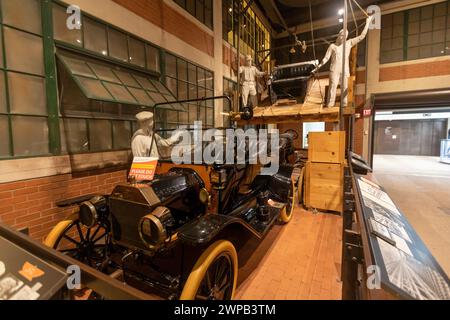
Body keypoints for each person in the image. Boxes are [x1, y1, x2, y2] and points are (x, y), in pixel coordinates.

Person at [313, 15, 374, 108]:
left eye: (345, 36)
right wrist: (318, 67)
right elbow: (326, 58)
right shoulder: (332, 46)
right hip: (334, 68)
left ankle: (344, 104)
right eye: (342, 35)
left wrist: (368, 23)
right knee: (332, 86)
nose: (343, 37)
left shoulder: (349, 43)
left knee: (344, 87)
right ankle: (330, 104)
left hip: (344, 69)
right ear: (339, 35)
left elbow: (362, 37)